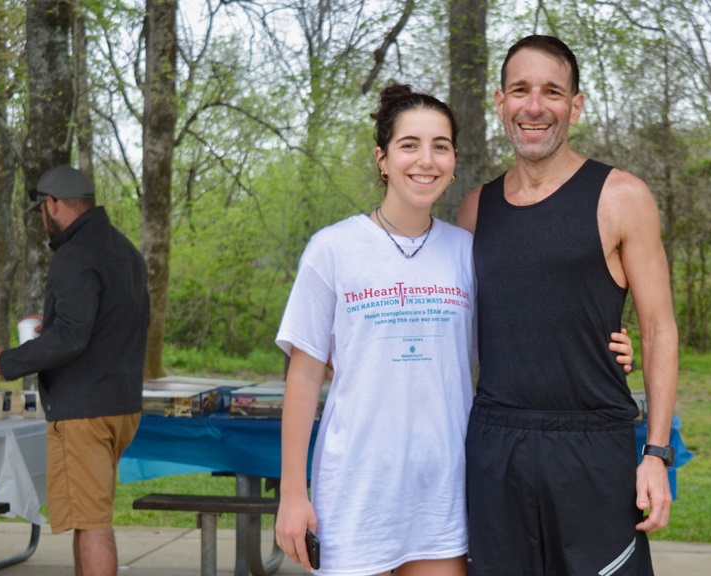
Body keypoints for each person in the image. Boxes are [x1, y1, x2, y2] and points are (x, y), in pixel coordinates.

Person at [275, 84, 635, 576]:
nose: (426, 160)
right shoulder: (332, 250)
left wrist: (605, 344)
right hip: (357, 493)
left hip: (444, 497)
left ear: (453, 159)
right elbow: (303, 376)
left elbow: (522, 328)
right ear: (382, 158)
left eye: (440, 146)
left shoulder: (465, 250)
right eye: (409, 145)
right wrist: (292, 495)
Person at [457, 35, 679, 576]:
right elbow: (446, 324)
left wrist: (656, 454)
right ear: (500, 102)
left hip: (591, 445)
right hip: (495, 443)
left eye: (552, 92)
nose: (534, 106)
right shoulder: (473, 210)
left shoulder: (621, 196)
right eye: (520, 90)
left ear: (575, 105)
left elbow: (659, 328)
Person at [0, 165, 149, 576]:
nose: (43, 221)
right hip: (122, 406)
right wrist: (51, 324)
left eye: (41, 211)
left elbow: (72, 338)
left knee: (90, 523)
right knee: (94, 515)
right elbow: (111, 323)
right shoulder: (125, 251)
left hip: (83, 411)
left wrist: (8, 361)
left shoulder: (74, 254)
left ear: (52, 204)